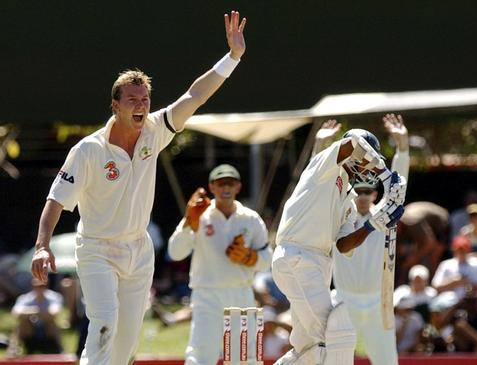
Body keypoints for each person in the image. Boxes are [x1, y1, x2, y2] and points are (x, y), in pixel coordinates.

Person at [30, 11, 247, 365]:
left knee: (127, 344)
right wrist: (41, 246)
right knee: (104, 324)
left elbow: (195, 96)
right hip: (98, 249)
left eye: (144, 99)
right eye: (132, 100)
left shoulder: (155, 131)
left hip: (138, 249)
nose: (141, 106)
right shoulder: (89, 150)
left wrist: (233, 58)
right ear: (115, 105)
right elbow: (56, 199)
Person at [271, 120, 406, 365]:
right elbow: (352, 142)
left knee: (308, 348)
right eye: (366, 159)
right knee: (334, 337)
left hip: (319, 264)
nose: (368, 167)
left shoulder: (349, 200)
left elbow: (344, 245)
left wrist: (375, 222)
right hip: (297, 255)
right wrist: (384, 172)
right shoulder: (326, 164)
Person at [311, 115, 408, 365]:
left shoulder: (385, 215)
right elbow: (315, 184)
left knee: (387, 360)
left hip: (378, 299)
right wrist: (319, 146)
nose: (363, 196)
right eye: (359, 191)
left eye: (368, 191)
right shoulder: (341, 214)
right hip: (344, 298)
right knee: (332, 359)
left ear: (375, 193)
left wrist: (403, 145)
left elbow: (399, 184)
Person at [168, 164, 271, 364]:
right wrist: (189, 224)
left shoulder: (251, 218)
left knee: (244, 357)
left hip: (241, 293)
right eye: (220, 183)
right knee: (201, 355)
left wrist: (249, 257)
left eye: (230, 183)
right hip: (207, 295)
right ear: (211, 187)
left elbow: (267, 260)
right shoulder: (199, 214)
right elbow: (175, 252)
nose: (226, 188)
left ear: (238, 187)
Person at [431, 235, 477, 305]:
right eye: (459, 250)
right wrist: (455, 282)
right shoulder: (446, 265)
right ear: (454, 250)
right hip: (450, 303)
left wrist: (470, 284)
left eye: (464, 250)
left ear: (468, 250)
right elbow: (436, 287)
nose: (461, 252)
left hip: (473, 302)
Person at [10, 278, 63, 355]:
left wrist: (34, 312)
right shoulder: (25, 298)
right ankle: (13, 350)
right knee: (22, 323)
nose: (40, 288)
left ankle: (61, 350)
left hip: (47, 332)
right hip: (30, 332)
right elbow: (16, 313)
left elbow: (54, 313)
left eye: (42, 285)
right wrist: (36, 311)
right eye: (37, 286)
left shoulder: (54, 297)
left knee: (51, 322)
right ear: (33, 286)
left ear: (47, 286)